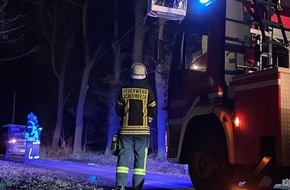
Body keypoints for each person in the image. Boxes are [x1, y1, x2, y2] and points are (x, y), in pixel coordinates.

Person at [114, 63, 157, 190]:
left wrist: (123, 121)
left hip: (126, 131)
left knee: (123, 157)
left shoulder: (124, 90)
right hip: (142, 132)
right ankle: (137, 187)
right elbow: (153, 108)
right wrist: (147, 121)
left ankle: (120, 185)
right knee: (140, 159)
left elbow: (118, 108)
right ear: (144, 75)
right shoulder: (148, 91)